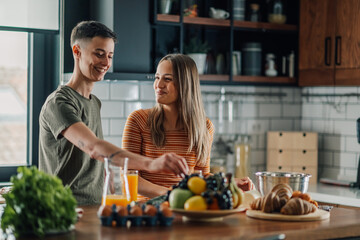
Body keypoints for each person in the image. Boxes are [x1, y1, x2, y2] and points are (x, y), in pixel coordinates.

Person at [38, 21, 188, 205]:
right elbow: (94, 148)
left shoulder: (94, 103)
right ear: (77, 51)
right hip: (64, 210)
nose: (106, 63)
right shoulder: (59, 102)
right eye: (99, 54)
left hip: (93, 209)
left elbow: (93, 164)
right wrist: (152, 163)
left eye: (110, 56)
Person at [122, 54, 214, 199]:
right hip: (147, 212)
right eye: (157, 77)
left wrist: (229, 183)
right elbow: (128, 177)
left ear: (185, 84)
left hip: (186, 209)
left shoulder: (204, 127)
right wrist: (172, 195)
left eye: (167, 79)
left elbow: (200, 177)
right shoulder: (138, 120)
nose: (158, 85)